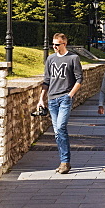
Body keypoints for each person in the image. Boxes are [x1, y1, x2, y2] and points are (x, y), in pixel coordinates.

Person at [37, 33, 83, 174]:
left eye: (57, 44)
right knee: (57, 132)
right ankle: (64, 162)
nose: (55, 47)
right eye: (53, 44)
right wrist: (41, 99)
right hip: (52, 99)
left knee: (61, 127)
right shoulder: (50, 59)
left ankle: (65, 162)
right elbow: (46, 80)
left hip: (64, 98)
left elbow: (79, 79)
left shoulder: (73, 58)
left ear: (64, 43)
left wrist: (70, 95)